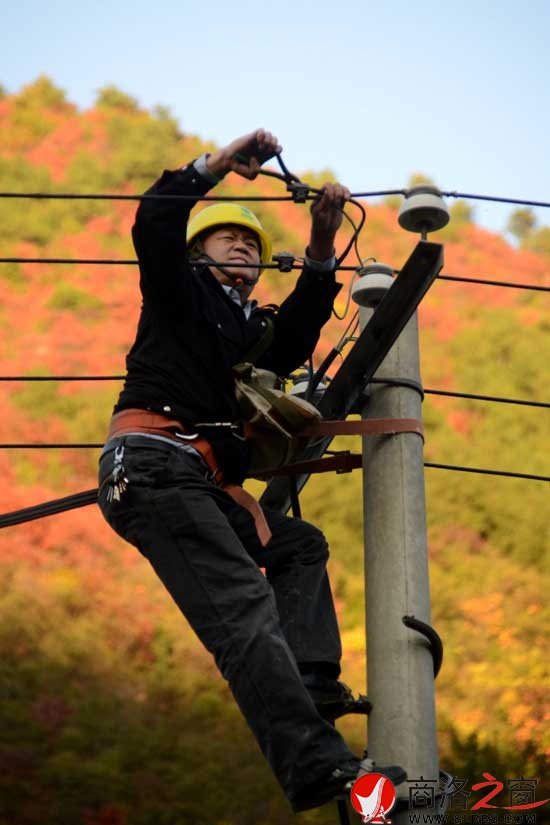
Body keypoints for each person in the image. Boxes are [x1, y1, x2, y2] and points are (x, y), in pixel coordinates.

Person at [97, 129, 404, 812]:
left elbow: (293, 335)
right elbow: (153, 220)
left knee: (298, 546)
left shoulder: (242, 327)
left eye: (251, 245)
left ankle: (312, 681)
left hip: (192, 479)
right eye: (225, 238)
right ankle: (316, 765)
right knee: (242, 610)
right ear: (195, 253)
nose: (242, 247)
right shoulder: (178, 295)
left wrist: (322, 243)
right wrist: (215, 167)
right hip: (153, 467)